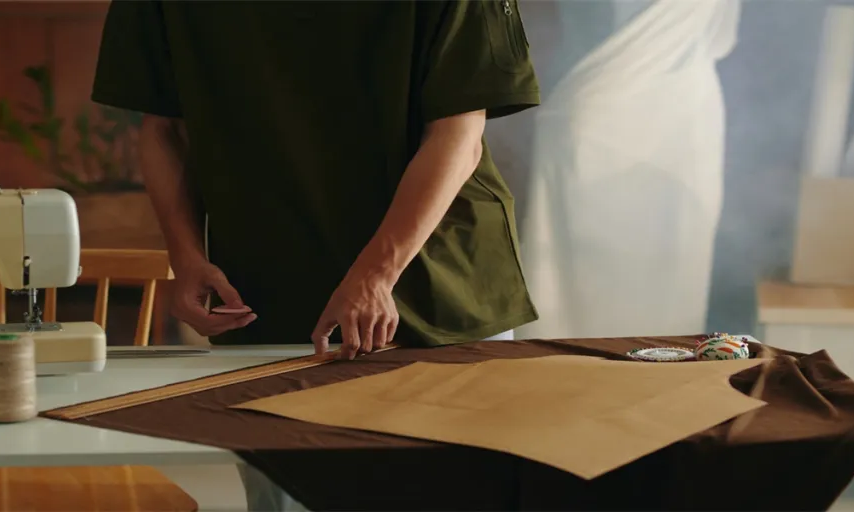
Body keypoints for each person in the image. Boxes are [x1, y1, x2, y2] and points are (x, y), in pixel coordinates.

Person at [93, 0, 539, 508]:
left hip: (437, 281)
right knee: (286, 497)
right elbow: (163, 127)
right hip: (272, 284)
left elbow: (459, 132)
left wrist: (376, 275)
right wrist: (187, 256)